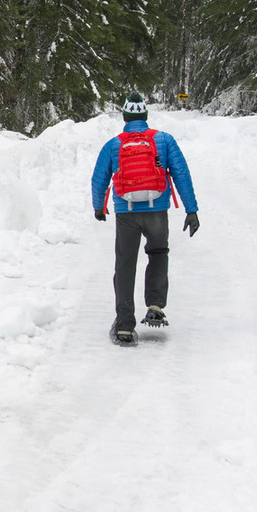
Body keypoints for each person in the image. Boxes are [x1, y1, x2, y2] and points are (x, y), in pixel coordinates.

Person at [91, 93, 199, 345]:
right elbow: (182, 174)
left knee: (126, 264)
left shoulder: (114, 144)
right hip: (157, 210)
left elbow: (99, 179)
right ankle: (155, 305)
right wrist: (191, 209)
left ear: (125, 117)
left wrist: (99, 207)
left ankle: (125, 325)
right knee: (159, 253)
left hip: (126, 213)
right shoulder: (164, 139)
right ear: (146, 116)